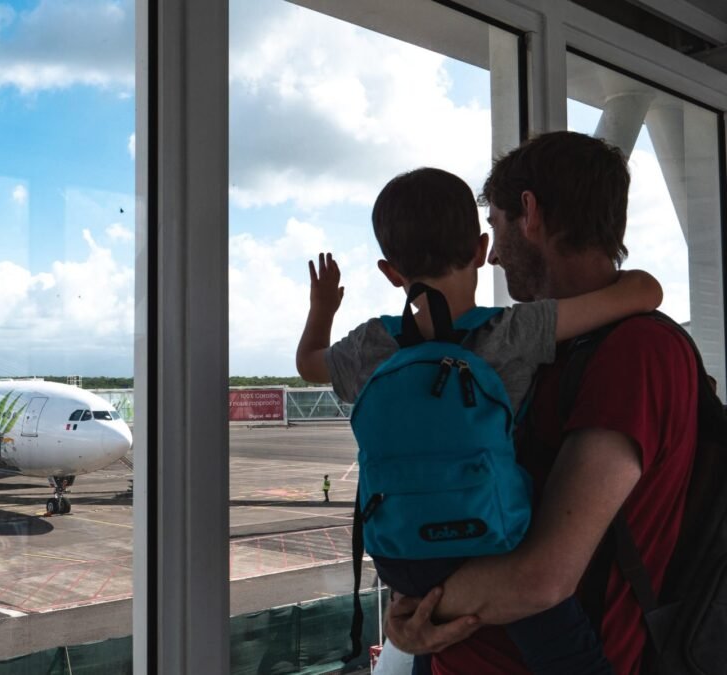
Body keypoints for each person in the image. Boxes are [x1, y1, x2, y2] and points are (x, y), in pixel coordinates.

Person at [296, 166, 664, 674]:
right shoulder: (512, 331)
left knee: (424, 647)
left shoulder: (368, 346)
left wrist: (322, 308)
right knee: (568, 656)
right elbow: (644, 293)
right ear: (478, 249)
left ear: (390, 272)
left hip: (401, 556)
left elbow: (309, 362)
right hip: (491, 537)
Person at [382, 132, 699, 675]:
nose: (496, 256)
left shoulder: (636, 351)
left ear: (528, 213)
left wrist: (422, 602)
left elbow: (542, 578)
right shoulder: (552, 349)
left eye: (497, 229)